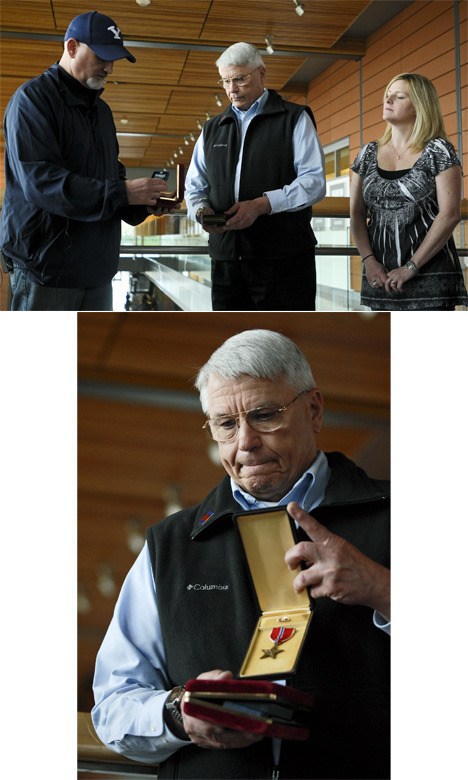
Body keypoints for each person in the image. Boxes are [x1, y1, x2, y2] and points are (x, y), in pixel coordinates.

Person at [92, 329, 390, 780]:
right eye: (226, 424)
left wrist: (383, 589)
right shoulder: (167, 547)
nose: (245, 442)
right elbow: (114, 703)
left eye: (264, 415)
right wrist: (178, 715)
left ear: (314, 410)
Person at [0, 11, 175, 311]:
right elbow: (41, 183)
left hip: (98, 271)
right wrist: (123, 192)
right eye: (102, 56)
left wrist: (141, 204)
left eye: (114, 59)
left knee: (90, 359)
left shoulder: (102, 112)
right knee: (39, 359)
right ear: (71, 47)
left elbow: (110, 176)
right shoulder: (32, 100)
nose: (109, 67)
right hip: (47, 271)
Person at [184, 43, 326, 311]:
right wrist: (200, 211)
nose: (231, 89)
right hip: (226, 261)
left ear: (261, 74)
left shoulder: (294, 118)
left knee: (285, 334)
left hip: (284, 261)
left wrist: (262, 205)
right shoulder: (212, 128)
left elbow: (314, 182)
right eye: (226, 81)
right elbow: (194, 185)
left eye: (240, 78)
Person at [350, 71, 467, 311]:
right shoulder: (367, 153)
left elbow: (450, 214)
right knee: (387, 347)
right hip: (380, 277)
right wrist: (369, 261)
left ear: (420, 106)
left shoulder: (438, 150)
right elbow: (356, 214)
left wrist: (411, 267)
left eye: (399, 96)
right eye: (387, 95)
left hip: (430, 278)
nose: (388, 100)